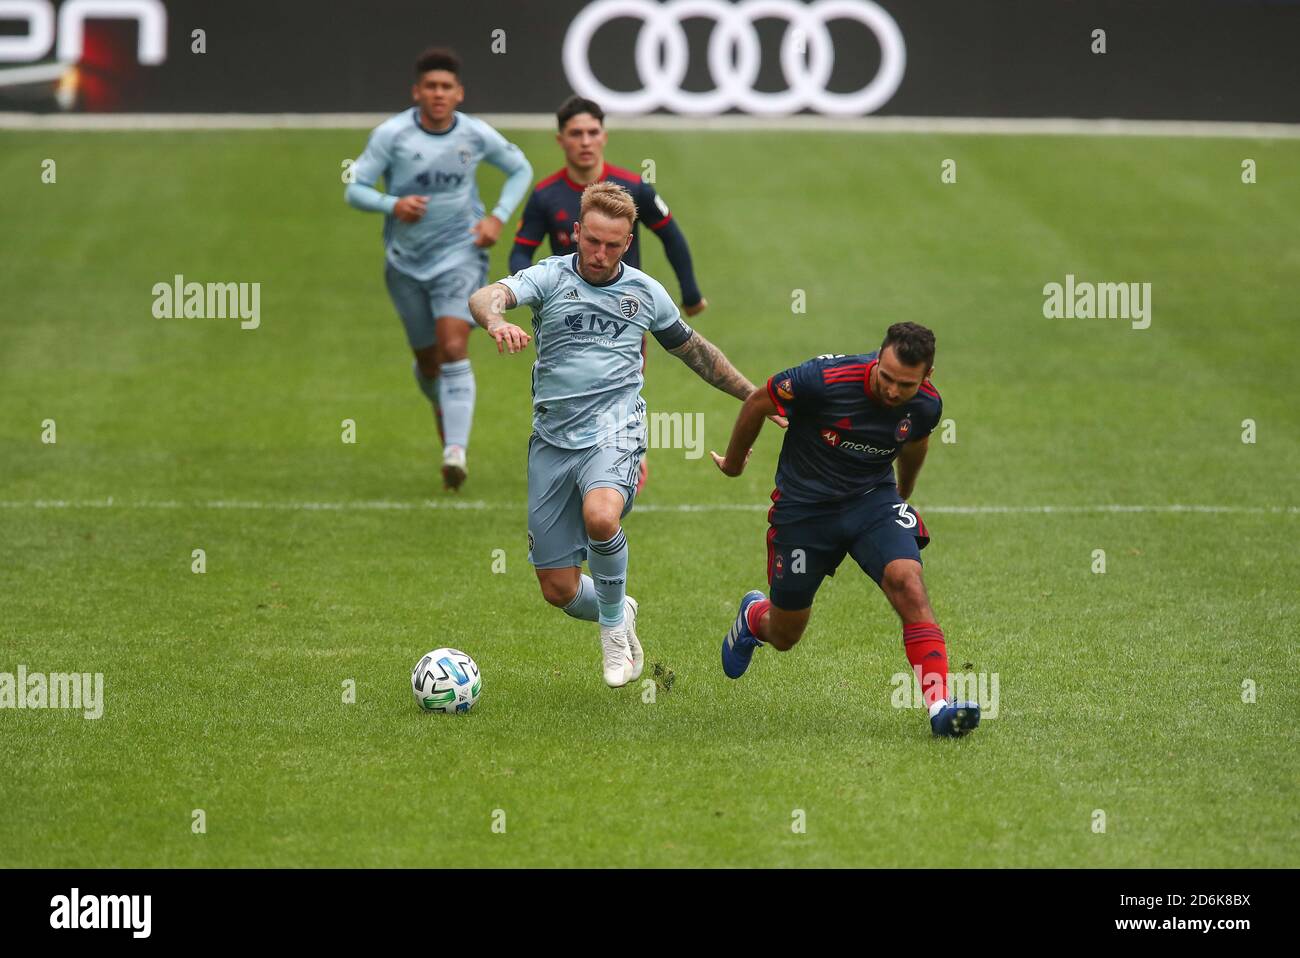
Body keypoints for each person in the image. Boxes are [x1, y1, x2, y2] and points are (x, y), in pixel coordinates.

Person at [470, 182, 775, 688]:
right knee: (558, 589)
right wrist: (496, 320)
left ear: (628, 242)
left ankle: (612, 632)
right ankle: (620, 607)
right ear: (575, 232)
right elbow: (486, 296)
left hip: (616, 429)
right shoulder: (548, 276)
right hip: (552, 439)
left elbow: (696, 352)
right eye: (591, 240)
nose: (599, 253)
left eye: (612, 245)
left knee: (600, 515)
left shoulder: (644, 292)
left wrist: (754, 397)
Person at [709, 323, 980, 737]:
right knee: (785, 634)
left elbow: (915, 445)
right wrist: (733, 462)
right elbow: (759, 401)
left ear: (927, 377)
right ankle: (753, 615)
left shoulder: (925, 405)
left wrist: (899, 501)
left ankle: (939, 706)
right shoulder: (821, 381)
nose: (892, 391)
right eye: (886, 377)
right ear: (877, 357)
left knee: (907, 583)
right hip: (804, 510)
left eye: (905, 385)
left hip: (871, 501)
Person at [345, 47, 532, 490]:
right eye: (430, 86)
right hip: (405, 263)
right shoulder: (391, 136)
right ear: (417, 92)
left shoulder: (474, 134)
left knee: (452, 346)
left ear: (459, 93)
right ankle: (444, 402)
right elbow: (355, 188)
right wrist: (392, 204)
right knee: (428, 361)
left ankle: (455, 451)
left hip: (461, 255)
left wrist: (497, 217)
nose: (438, 93)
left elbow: (519, 168)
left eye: (446, 86)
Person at [509, 95, 707, 491]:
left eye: (592, 132)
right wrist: (524, 287)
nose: (585, 141)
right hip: (566, 313)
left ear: (604, 136)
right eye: (576, 133)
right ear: (560, 140)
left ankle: (625, 451)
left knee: (622, 379)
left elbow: (671, 235)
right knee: (575, 382)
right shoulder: (546, 196)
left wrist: (690, 292)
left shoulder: (633, 188)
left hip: (625, 310)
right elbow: (521, 249)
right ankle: (580, 458)